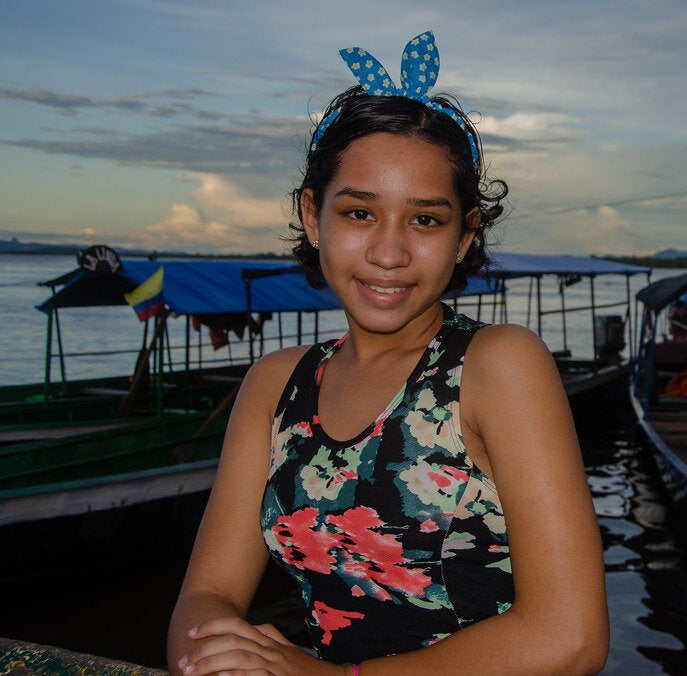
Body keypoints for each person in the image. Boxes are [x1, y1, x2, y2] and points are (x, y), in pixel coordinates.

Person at [168, 32, 609, 676]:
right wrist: (209, 659)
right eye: (359, 213)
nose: (389, 252)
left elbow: (570, 639)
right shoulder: (276, 384)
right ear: (313, 215)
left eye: (425, 220)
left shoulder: (496, 366)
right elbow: (207, 595)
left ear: (466, 234)